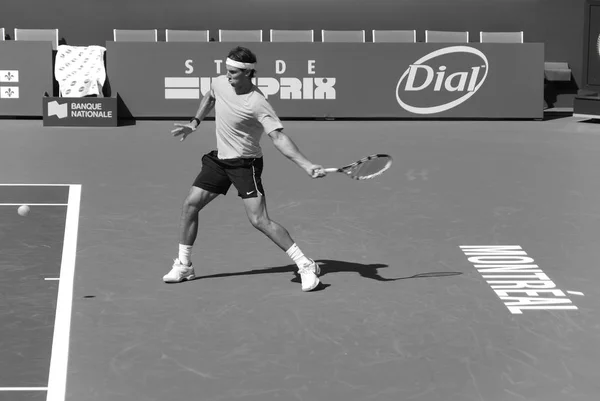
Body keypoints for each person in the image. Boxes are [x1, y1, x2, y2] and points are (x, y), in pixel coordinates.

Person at [165, 46, 326, 292]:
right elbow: (209, 96)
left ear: (247, 73)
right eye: (226, 71)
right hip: (220, 161)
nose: (227, 76)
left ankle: (305, 264)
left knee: (259, 220)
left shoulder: (257, 102)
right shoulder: (220, 83)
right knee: (190, 205)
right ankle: (184, 265)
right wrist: (194, 122)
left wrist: (306, 164)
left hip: (245, 164)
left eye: (232, 72)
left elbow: (278, 137)